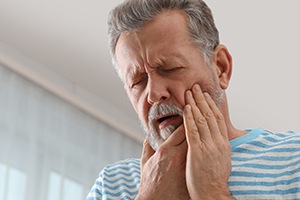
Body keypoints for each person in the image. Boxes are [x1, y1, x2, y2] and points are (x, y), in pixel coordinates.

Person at [86, 0, 300, 199]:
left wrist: (212, 191)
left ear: (221, 68)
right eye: (137, 81)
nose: (153, 94)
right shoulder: (111, 184)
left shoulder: (293, 157)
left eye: (169, 68)